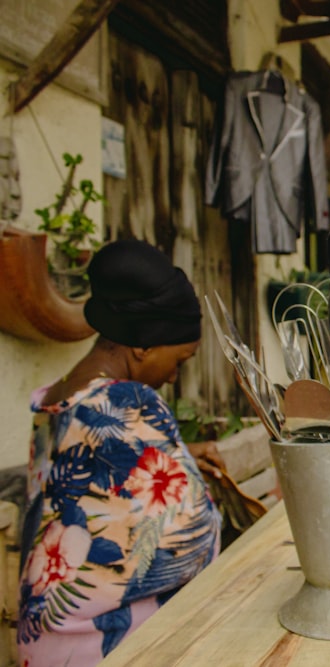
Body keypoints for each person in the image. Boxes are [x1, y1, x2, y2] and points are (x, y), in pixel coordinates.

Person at [17, 240, 223, 667]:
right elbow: (194, 537)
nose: (173, 375)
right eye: (180, 359)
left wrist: (178, 454)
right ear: (143, 346)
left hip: (44, 639)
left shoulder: (55, 398)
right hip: (105, 647)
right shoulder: (129, 400)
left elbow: (99, 486)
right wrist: (196, 482)